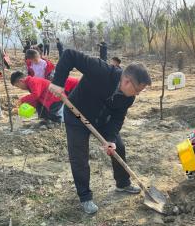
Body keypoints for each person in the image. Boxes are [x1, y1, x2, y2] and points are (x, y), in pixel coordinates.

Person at [48, 49, 152, 214]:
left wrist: (110, 139)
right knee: (79, 157)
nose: (138, 94)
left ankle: (122, 183)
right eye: (138, 90)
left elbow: (118, 118)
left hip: (102, 120)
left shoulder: (129, 97)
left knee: (118, 146)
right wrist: (58, 82)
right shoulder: (101, 70)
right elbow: (69, 55)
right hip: (76, 115)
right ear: (126, 81)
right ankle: (85, 197)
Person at [11, 71, 78, 128]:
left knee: (54, 112)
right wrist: (24, 108)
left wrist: (22, 100)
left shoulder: (33, 81)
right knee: (40, 106)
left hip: (54, 97)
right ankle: (45, 120)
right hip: (47, 100)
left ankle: (57, 122)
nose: (20, 88)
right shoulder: (29, 84)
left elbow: (36, 95)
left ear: (21, 81)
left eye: (17, 86)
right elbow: (35, 99)